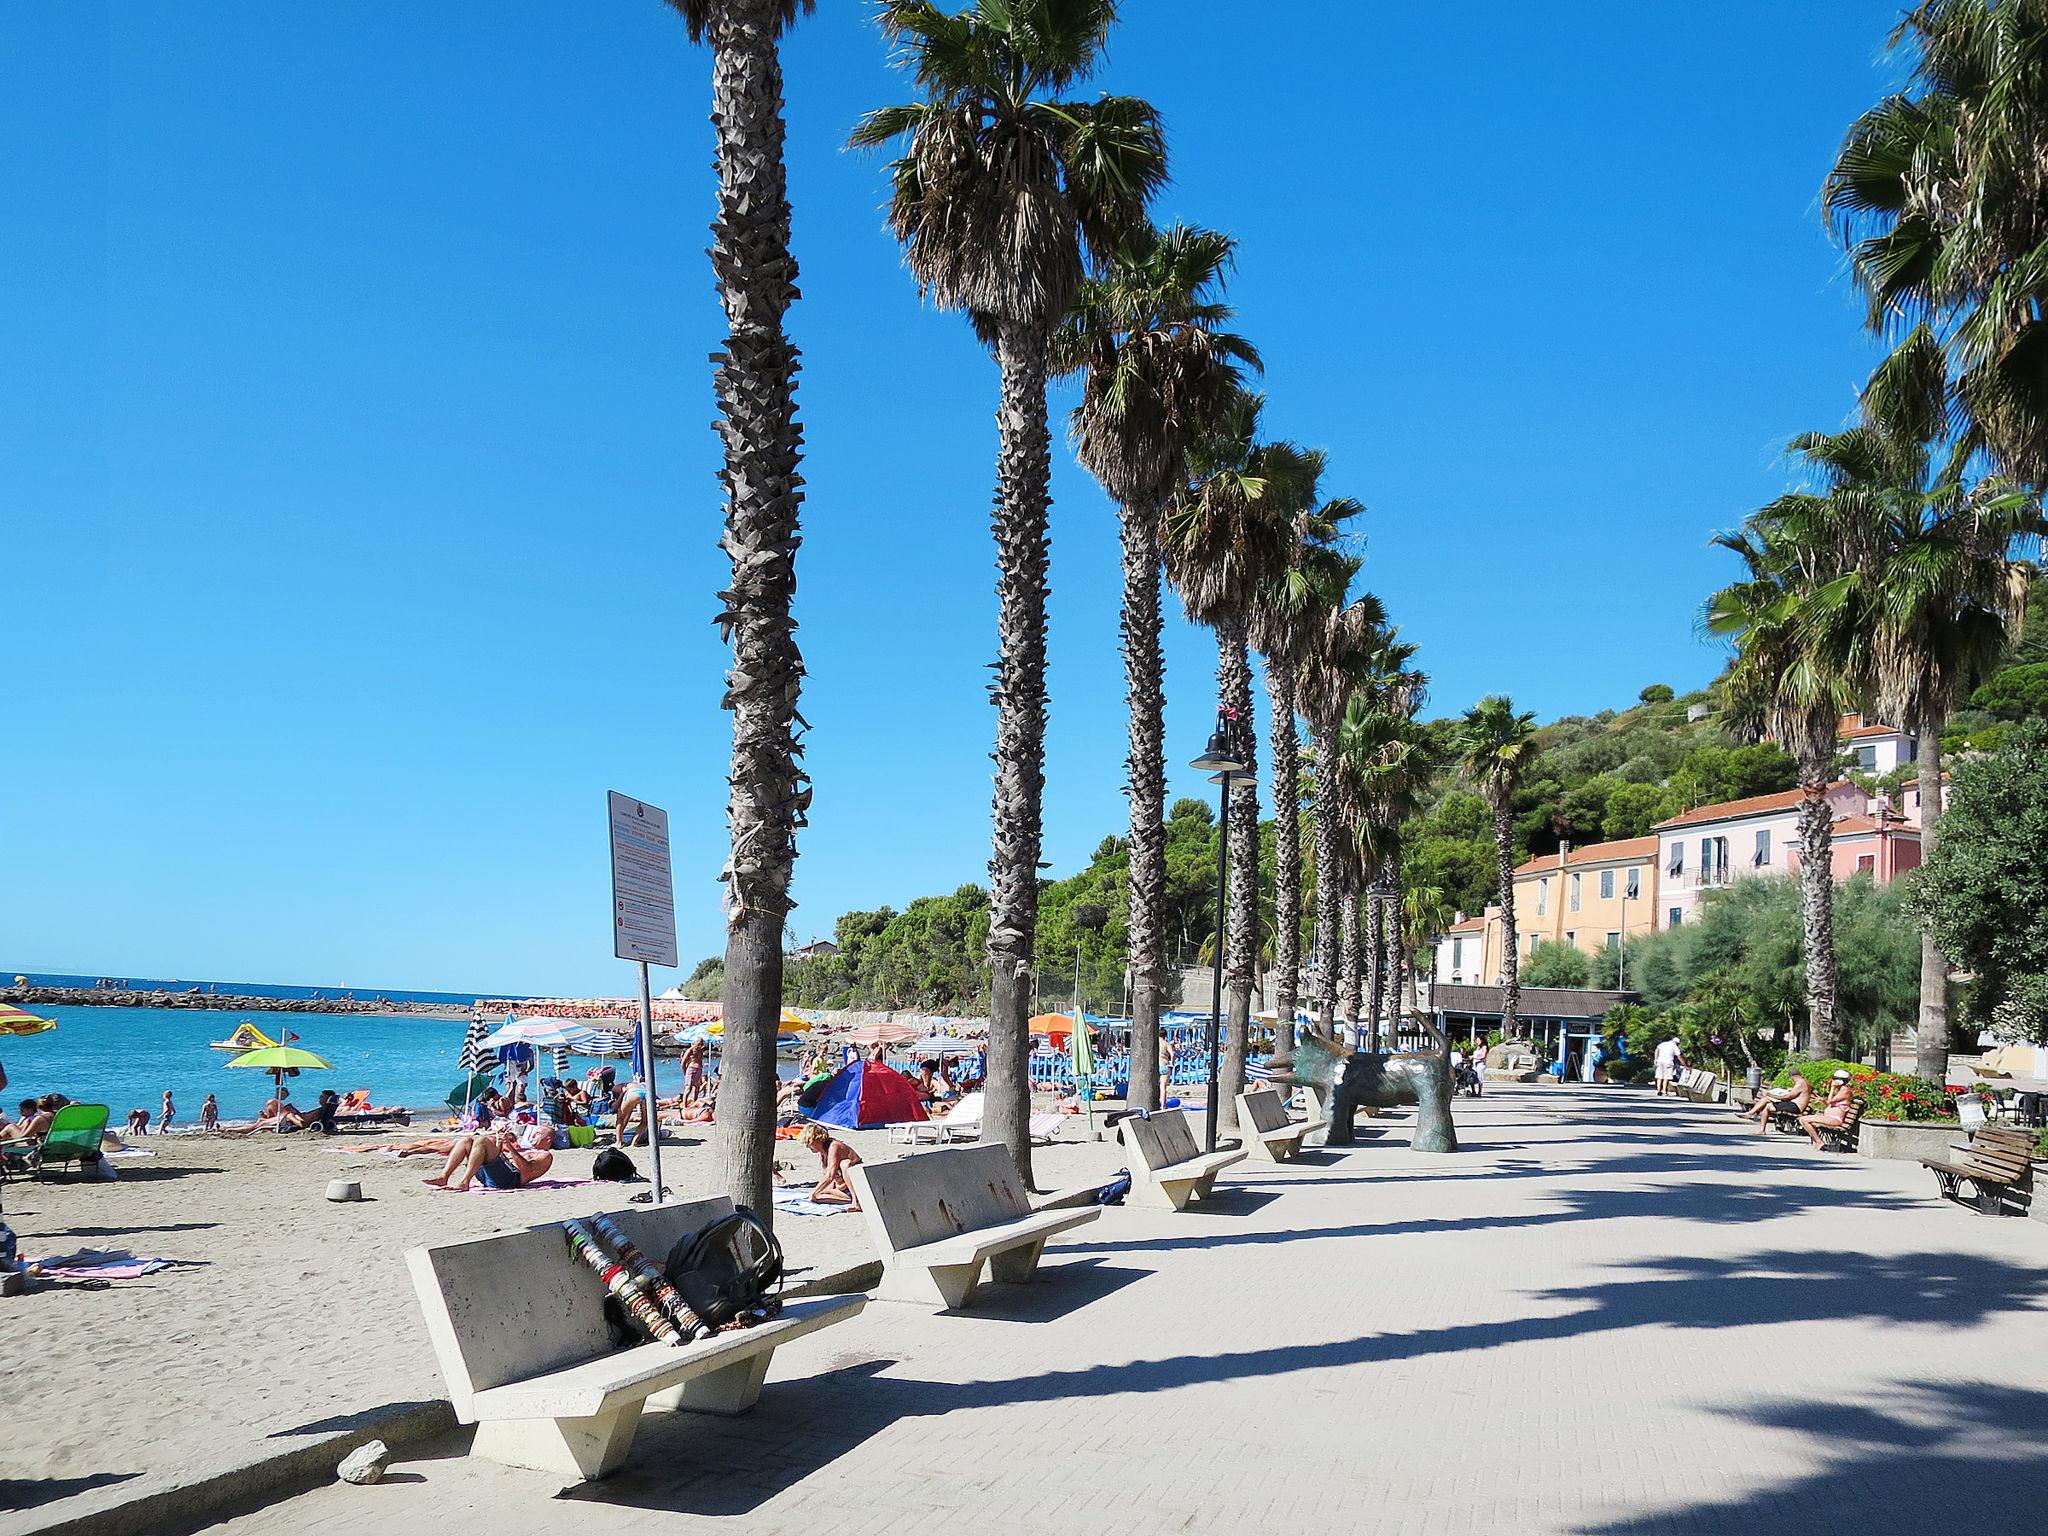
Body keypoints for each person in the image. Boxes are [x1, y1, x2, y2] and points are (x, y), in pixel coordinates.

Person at [422, 1125, 553, 1192]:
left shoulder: (545, 1155)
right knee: (466, 1140)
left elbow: (526, 1169)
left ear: (548, 1139)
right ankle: (443, 1177)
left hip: (510, 1179)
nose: (534, 1135)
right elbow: (499, 1157)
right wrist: (500, 1139)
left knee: (481, 1140)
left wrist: (509, 1146)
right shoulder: (529, 1149)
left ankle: (464, 1182)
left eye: (538, 1134)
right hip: (495, 1175)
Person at [800, 1123, 860, 1208]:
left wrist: (814, 1192)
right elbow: (829, 1177)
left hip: (856, 1186)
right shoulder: (822, 1152)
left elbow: (830, 1176)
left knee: (845, 1164)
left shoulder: (834, 1146)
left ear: (817, 1140)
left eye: (808, 1143)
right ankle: (848, 1199)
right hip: (841, 1188)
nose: (807, 1146)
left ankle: (856, 1200)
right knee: (818, 1196)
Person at [1798, 1070, 1856, 1149]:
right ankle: (1817, 1141)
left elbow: (1830, 1101)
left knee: (1804, 1120)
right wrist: (1823, 1101)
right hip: (1829, 1117)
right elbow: (1830, 1103)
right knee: (1802, 1119)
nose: (1833, 1081)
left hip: (1835, 1119)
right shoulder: (1840, 1090)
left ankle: (1819, 1142)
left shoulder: (1845, 1091)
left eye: (1835, 1079)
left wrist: (1832, 1088)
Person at [1744, 1072, 1813, 1132]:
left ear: (1793, 1076)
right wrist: (1791, 1090)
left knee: (1768, 1106)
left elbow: (1787, 1097)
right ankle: (1750, 1113)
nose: (1792, 1080)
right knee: (1765, 1100)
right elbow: (1801, 1093)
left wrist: (1770, 1094)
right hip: (1794, 1105)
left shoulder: (1800, 1083)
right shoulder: (1804, 1082)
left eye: (1791, 1078)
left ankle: (1761, 1129)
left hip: (1795, 1107)